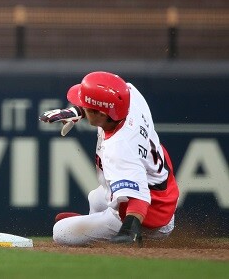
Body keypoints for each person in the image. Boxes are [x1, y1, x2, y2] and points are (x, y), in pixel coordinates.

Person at [40, 71, 179, 246]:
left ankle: (110, 233)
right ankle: (96, 223)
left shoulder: (120, 147)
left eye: (86, 107)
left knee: (61, 232)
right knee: (95, 198)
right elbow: (110, 98)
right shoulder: (130, 97)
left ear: (102, 115)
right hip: (163, 191)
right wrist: (76, 111)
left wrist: (128, 231)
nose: (82, 105)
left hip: (151, 217)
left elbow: (140, 199)